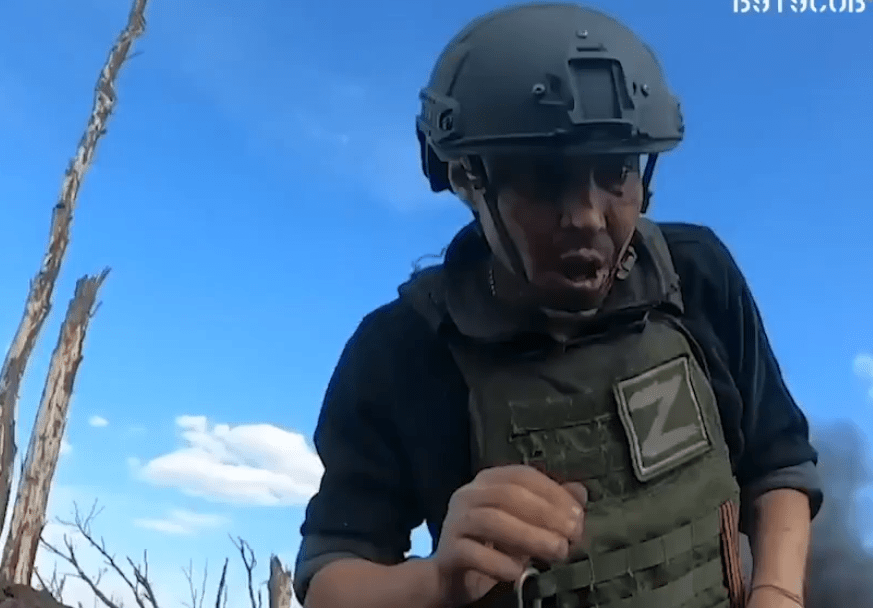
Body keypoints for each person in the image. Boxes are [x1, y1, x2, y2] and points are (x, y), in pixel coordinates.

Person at [293, 3, 822, 608]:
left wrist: (777, 593)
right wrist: (436, 580)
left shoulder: (695, 276)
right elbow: (331, 579)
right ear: (470, 179)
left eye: (617, 171)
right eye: (544, 180)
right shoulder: (402, 352)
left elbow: (778, 462)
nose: (588, 217)